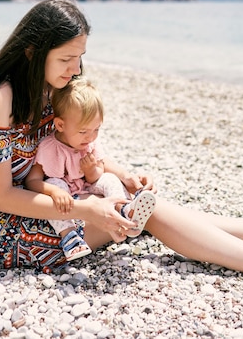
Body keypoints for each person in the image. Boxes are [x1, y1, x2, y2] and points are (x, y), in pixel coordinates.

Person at [0, 0, 243, 281]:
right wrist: (87, 210)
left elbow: (77, 147)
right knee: (138, 210)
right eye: (65, 59)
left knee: (134, 198)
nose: (76, 70)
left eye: (80, 57)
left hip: (46, 202)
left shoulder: (47, 86)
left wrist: (123, 173)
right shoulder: (0, 96)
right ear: (32, 52)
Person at [25, 76, 156, 261]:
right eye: (83, 131)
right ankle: (69, 236)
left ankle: (123, 210)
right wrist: (53, 191)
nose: (91, 137)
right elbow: (32, 181)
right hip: (67, 199)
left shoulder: (89, 143)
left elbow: (97, 176)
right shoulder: (49, 147)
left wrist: (90, 171)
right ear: (60, 125)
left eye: (96, 129)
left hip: (86, 189)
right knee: (55, 182)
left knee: (110, 179)